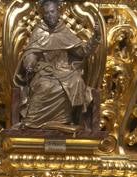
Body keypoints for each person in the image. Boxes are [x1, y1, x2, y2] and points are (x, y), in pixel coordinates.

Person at [13, 0, 101, 132]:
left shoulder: (64, 31)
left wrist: (96, 37)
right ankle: (33, 122)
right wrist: (29, 63)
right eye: (47, 13)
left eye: (52, 12)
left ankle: (69, 121)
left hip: (65, 70)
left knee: (77, 81)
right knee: (44, 86)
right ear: (43, 14)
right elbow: (31, 53)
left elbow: (82, 51)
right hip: (45, 72)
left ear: (58, 12)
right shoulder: (39, 32)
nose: (50, 15)